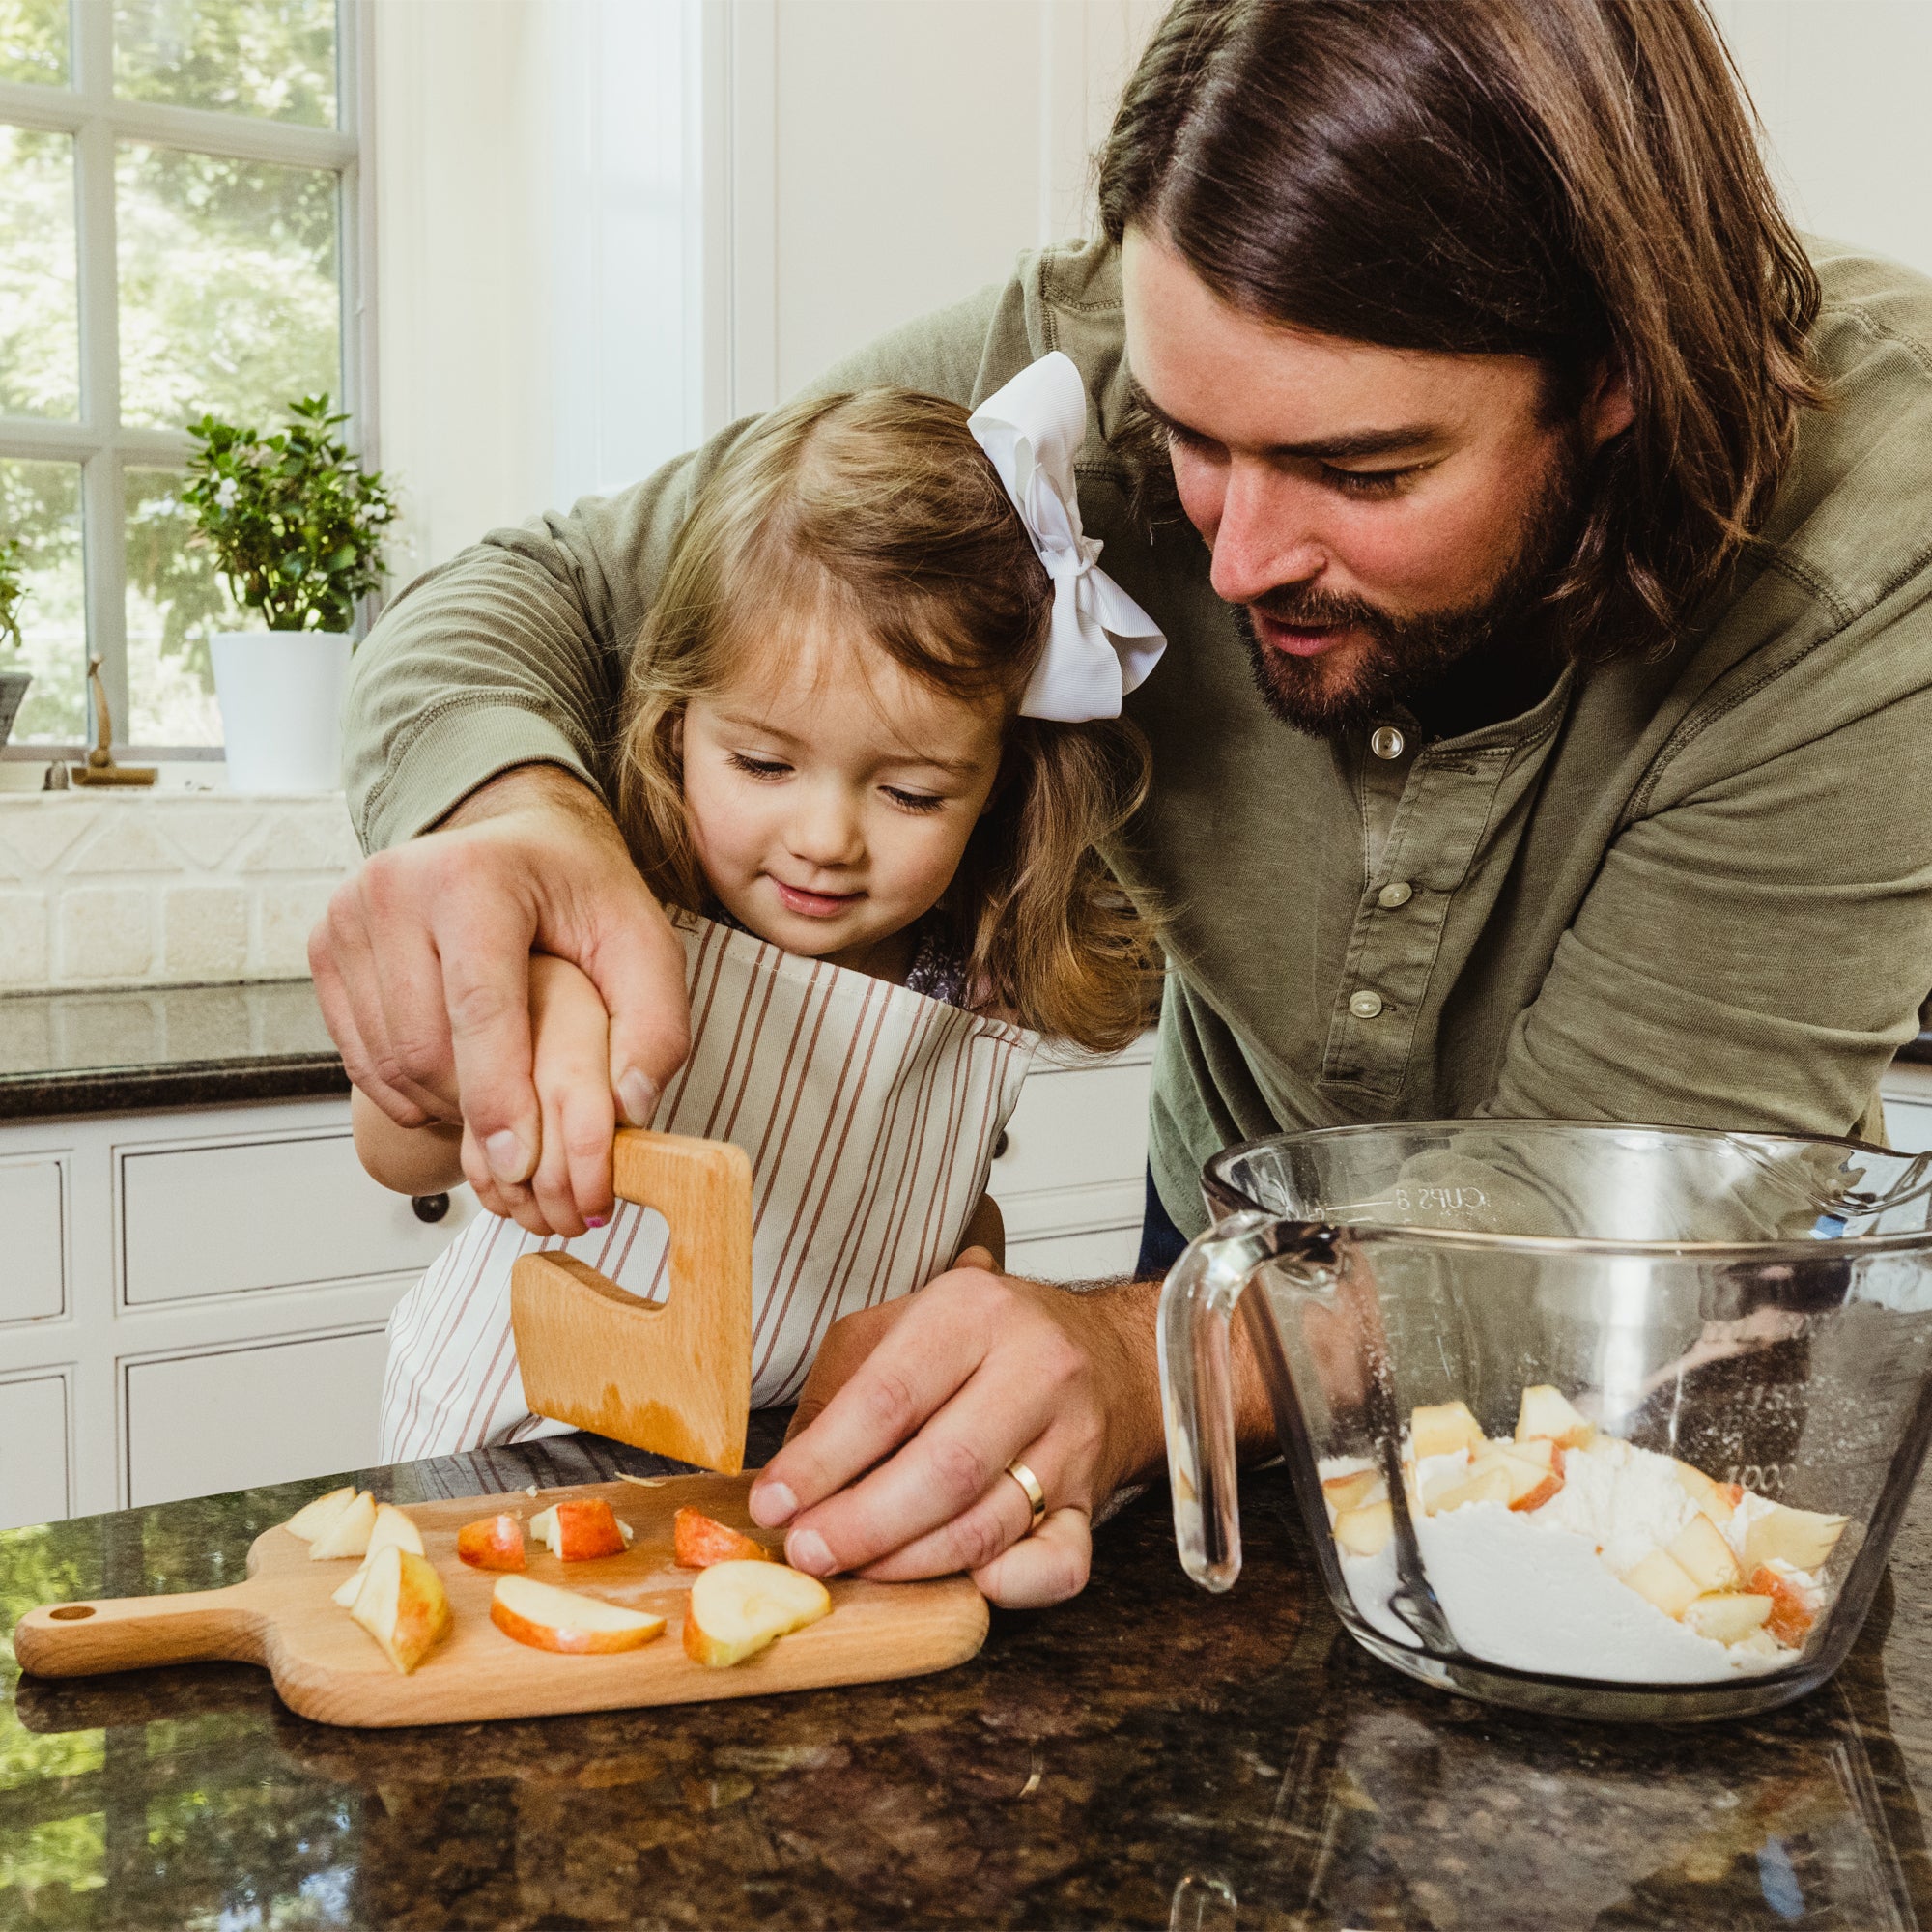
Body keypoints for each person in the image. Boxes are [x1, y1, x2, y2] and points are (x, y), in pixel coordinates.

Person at [315, 0, 1932, 1608]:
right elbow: (528, 595)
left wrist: (1145, 1353)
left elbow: (1607, 1224)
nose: (1230, 565)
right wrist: (514, 816)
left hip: (1662, 1348)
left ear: (1613, 384)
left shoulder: (1875, 534)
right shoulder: (1062, 367)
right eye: (1187, 445)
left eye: (1361, 475)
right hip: (1223, 1266)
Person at [354, 366, 1159, 1520]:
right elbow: (396, 1151)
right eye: (765, 765)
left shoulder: (968, 970)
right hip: (505, 1457)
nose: (825, 838)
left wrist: (968, 1278)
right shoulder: (609, 907)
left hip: (764, 1468)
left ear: (999, 785)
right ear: (675, 721)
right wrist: (464, 1088)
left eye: (914, 792)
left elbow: (933, 1205)